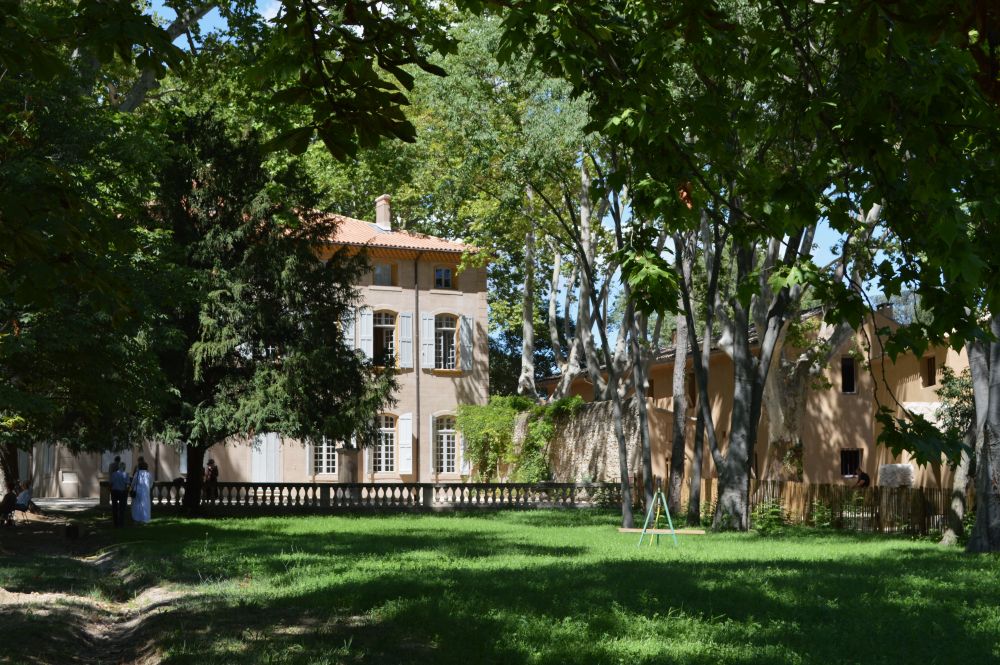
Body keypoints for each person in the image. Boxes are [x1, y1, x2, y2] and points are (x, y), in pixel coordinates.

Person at [130, 457, 152, 524]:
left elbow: (133, 483)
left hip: (138, 491)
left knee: (137, 505)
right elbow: (151, 483)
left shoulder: (137, 473)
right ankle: (145, 519)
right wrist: (148, 488)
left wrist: (132, 487)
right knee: (145, 505)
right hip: (146, 491)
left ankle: (136, 519)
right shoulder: (148, 474)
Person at [110, 463, 130, 528]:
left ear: (119, 467)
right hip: (122, 492)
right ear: (124, 467)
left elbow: (111, 483)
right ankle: (121, 523)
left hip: (114, 492)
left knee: (114, 508)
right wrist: (127, 491)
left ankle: (115, 523)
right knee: (122, 508)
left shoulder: (113, 474)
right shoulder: (126, 474)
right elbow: (127, 484)